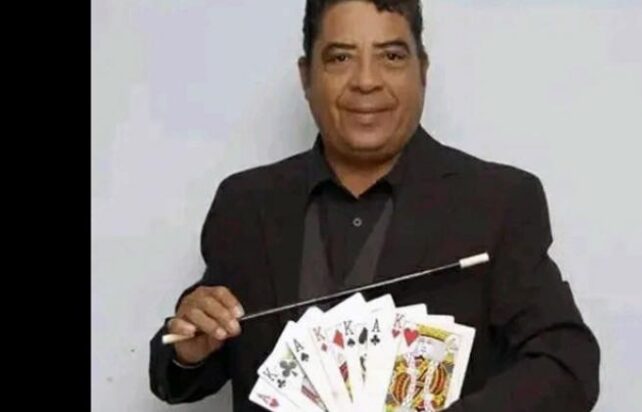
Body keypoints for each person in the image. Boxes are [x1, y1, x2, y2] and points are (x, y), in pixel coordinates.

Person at [149, 1, 600, 411]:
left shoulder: (498, 201)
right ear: (306, 76)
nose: (366, 81)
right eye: (340, 58)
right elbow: (182, 371)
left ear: (422, 70)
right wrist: (188, 349)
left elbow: (566, 365)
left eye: (392, 56)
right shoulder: (245, 204)